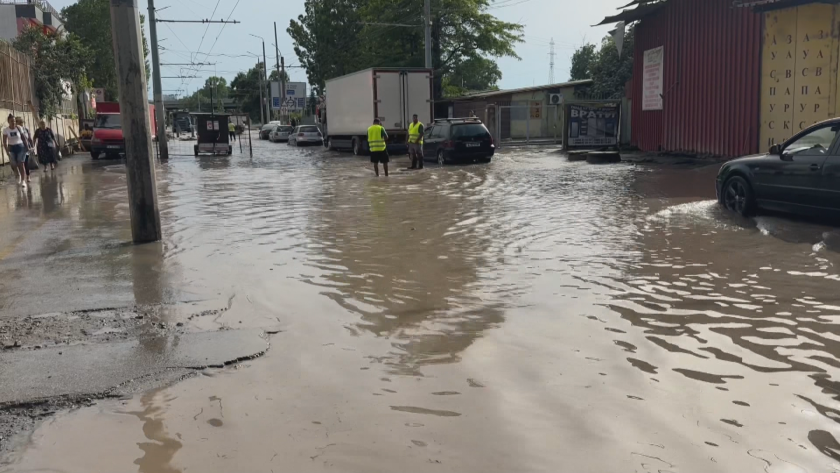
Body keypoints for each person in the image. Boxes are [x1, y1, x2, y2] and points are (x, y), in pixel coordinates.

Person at [3, 114, 29, 186]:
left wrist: (27, 147)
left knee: (21, 163)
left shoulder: (19, 128)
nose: (13, 122)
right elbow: (4, 142)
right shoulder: (6, 130)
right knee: (13, 164)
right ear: (8, 122)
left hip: (20, 147)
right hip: (11, 148)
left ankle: (23, 181)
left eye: (14, 121)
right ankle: (17, 175)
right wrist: (7, 151)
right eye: (12, 121)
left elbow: (23, 138)